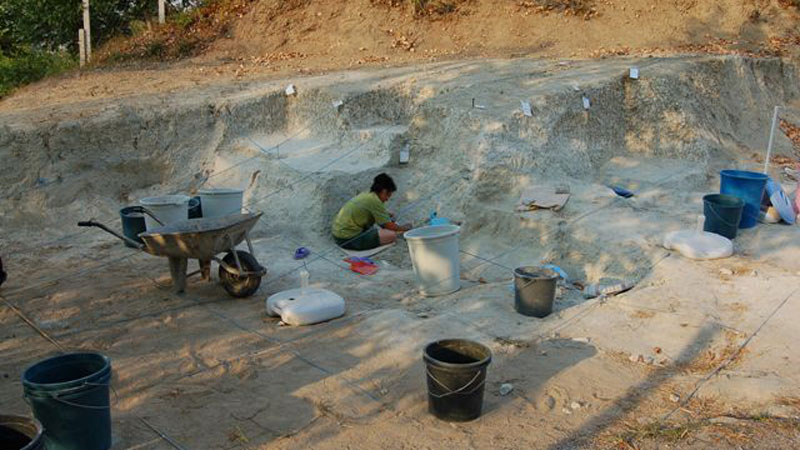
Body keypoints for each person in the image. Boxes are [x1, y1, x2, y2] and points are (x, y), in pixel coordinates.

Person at [332, 173, 412, 251]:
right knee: (391, 235)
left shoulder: (367, 195)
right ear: (384, 191)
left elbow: (372, 211)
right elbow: (388, 226)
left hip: (338, 234)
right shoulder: (375, 201)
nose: (387, 199)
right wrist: (403, 228)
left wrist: (386, 215)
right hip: (348, 239)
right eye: (387, 195)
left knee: (387, 222)